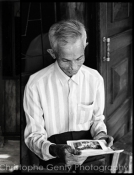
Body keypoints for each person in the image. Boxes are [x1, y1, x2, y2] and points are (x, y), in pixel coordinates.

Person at [23, 19, 114, 172]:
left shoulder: (95, 78)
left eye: (79, 58)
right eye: (65, 60)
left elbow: (97, 120)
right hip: (53, 155)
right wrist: (56, 150)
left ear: (84, 47)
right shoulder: (36, 84)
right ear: (53, 53)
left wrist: (101, 135)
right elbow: (33, 136)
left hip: (90, 155)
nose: (74, 67)